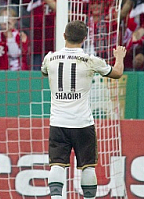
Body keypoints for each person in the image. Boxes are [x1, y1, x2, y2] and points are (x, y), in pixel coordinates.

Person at [41, 21, 126, 199]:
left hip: (58, 122)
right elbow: (117, 73)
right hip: (83, 123)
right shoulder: (91, 61)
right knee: (87, 166)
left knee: (57, 165)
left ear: (64, 36)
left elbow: (44, 72)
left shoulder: (49, 58)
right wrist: (119, 56)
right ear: (84, 39)